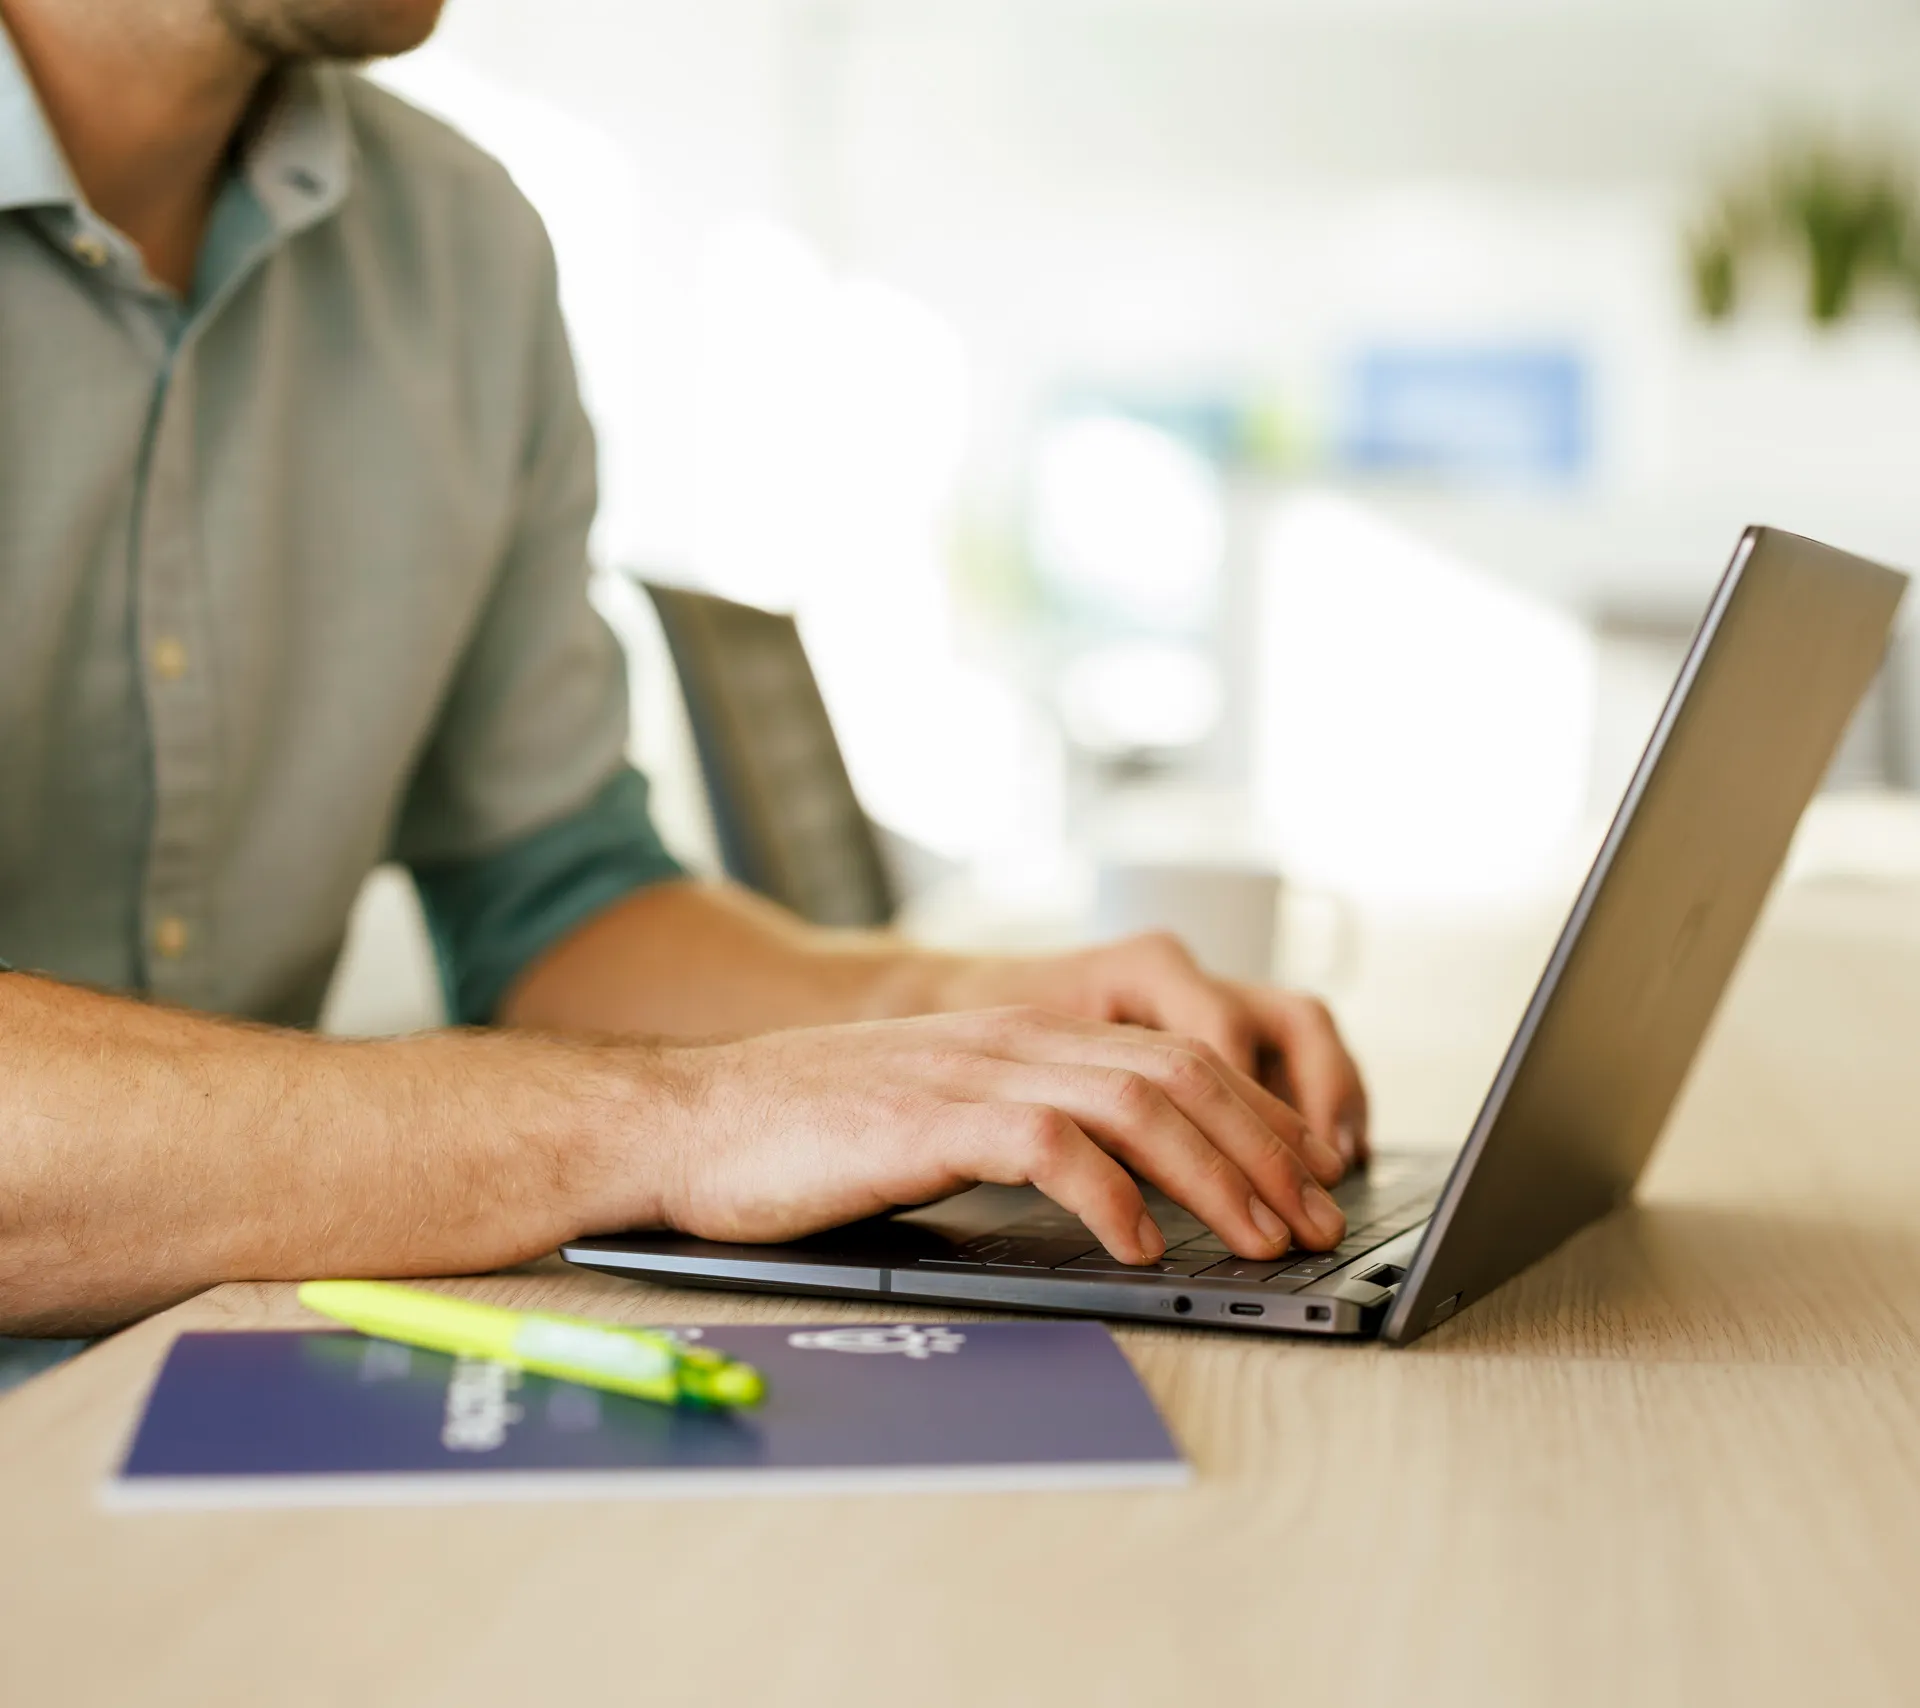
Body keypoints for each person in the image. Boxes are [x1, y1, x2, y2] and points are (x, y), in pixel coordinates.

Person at [0, 0, 1365, 1341]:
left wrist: (980, 1026)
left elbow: (558, 903)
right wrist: (674, 1122)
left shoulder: (459, 241)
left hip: (241, 1359)